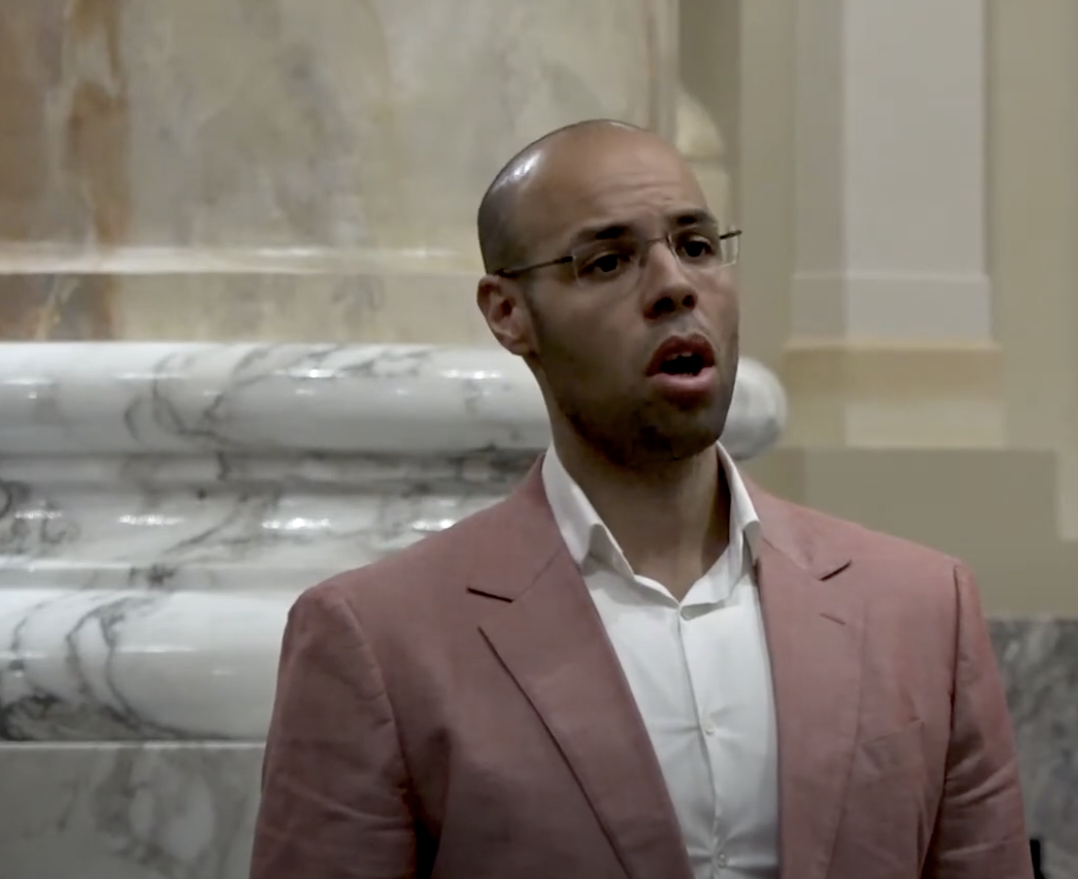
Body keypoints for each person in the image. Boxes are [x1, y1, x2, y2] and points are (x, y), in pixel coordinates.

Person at [249, 120, 1034, 879]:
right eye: (606, 262)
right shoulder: (381, 641)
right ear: (507, 313)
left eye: (696, 247)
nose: (673, 287)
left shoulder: (921, 609)